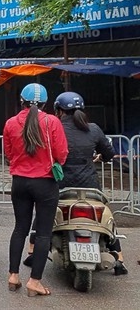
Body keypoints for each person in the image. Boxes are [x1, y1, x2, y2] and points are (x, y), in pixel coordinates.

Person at [22, 91, 127, 275]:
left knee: (43, 212)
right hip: (90, 185)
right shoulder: (93, 129)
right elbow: (109, 153)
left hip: (60, 183)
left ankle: (32, 251)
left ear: (58, 110)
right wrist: (98, 156)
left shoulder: (52, 126)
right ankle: (119, 257)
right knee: (106, 216)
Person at [4, 83, 68, 296]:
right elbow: (61, 154)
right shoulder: (53, 122)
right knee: (43, 233)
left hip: (19, 182)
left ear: (21, 101)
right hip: (45, 183)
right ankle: (34, 282)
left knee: (19, 228)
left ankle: (13, 276)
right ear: (45, 103)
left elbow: (9, 153)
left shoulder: (11, 123)